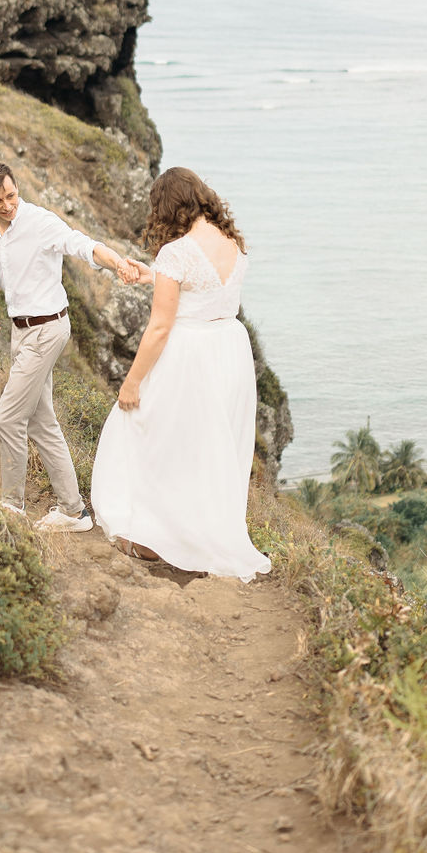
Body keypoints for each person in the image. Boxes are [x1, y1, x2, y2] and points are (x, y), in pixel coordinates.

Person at [91, 167, 271, 582]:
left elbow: (159, 327)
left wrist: (132, 381)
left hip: (190, 355)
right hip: (230, 348)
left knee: (147, 432)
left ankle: (154, 539)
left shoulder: (175, 252)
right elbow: (205, 288)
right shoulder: (232, 242)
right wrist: (150, 275)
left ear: (167, 207)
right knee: (211, 447)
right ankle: (202, 533)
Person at [0, 160, 139, 531]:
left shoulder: (39, 222)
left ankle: (11, 508)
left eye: (12, 195)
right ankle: (73, 511)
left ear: (17, 188)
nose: (8, 205)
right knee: (40, 420)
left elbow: (82, 245)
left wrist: (118, 263)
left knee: (7, 417)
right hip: (20, 329)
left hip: (48, 329)